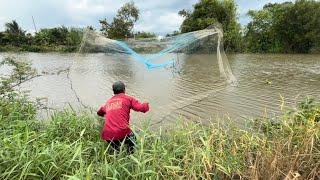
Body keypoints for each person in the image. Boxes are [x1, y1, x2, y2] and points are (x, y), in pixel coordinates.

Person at [97, 81, 149, 153]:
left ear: (113, 91)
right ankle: (130, 156)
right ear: (124, 90)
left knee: (116, 150)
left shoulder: (108, 102)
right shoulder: (128, 99)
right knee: (133, 142)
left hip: (107, 134)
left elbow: (100, 111)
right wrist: (146, 104)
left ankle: (116, 157)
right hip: (122, 131)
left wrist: (102, 114)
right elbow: (142, 108)